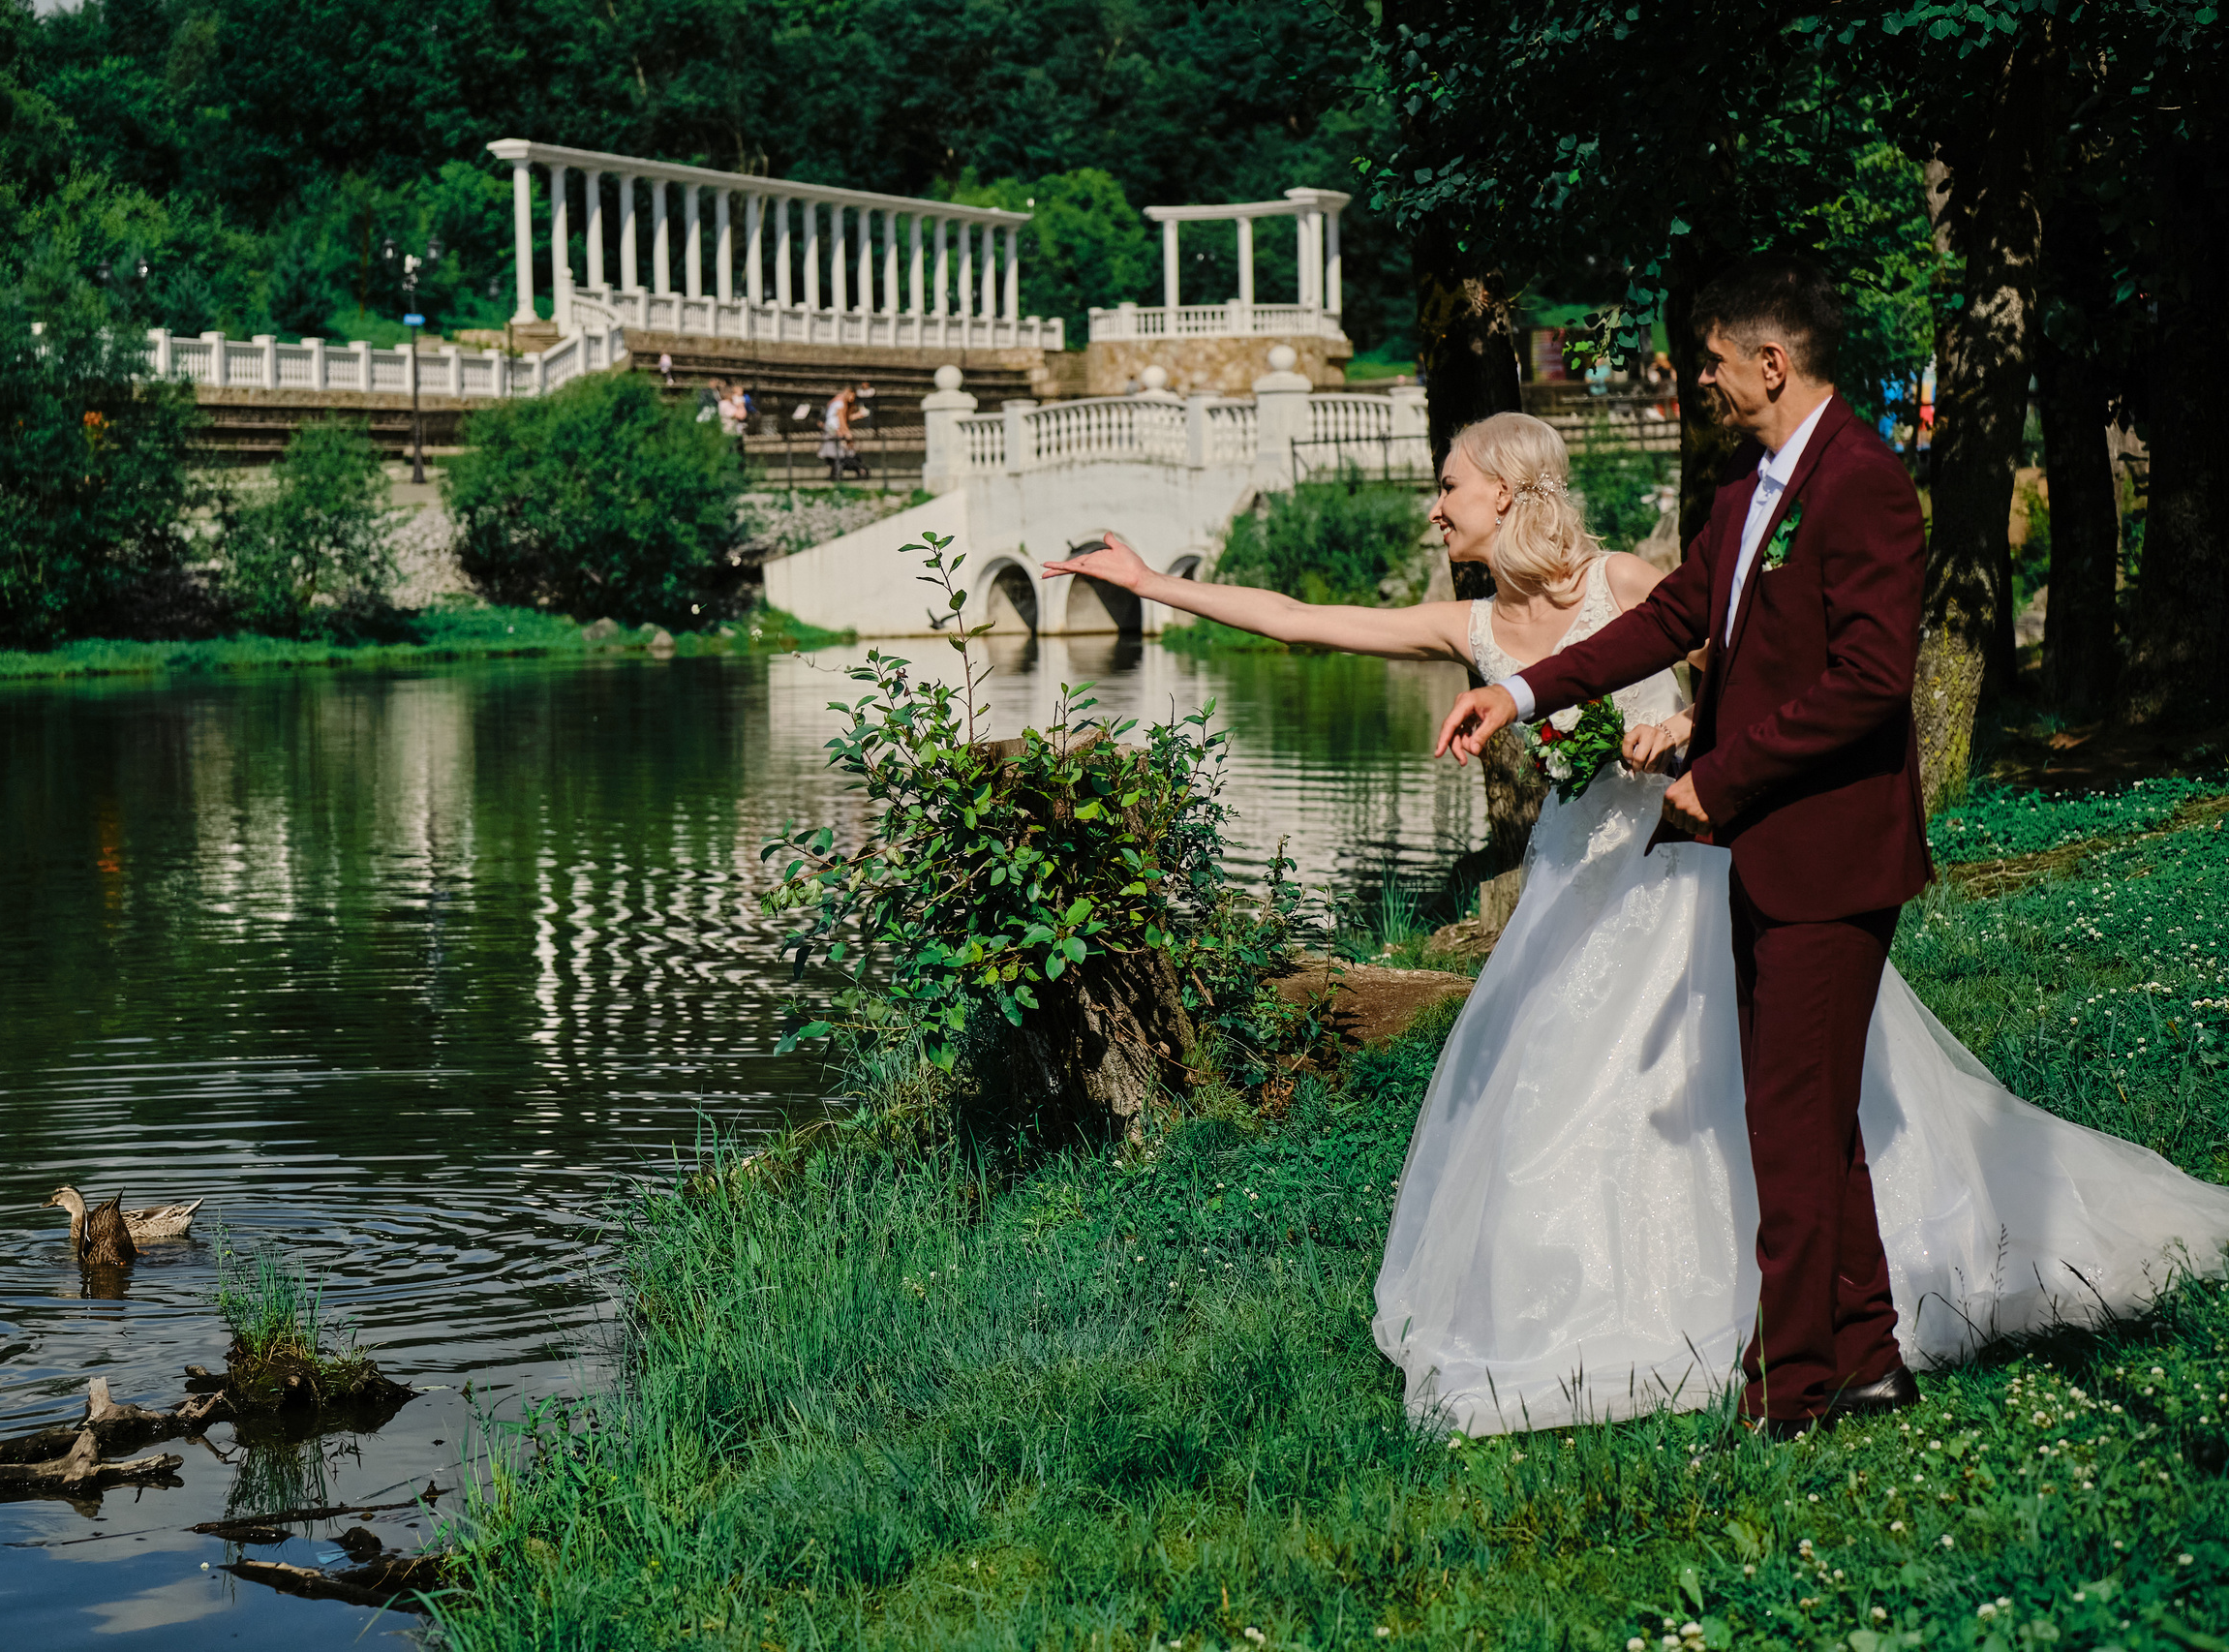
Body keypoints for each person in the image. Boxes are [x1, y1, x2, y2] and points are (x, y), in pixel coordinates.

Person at [1056, 270, 2229, 1439]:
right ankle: (1862, 1358)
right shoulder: (1736, 492)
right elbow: (1664, 628)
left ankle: (1793, 1391)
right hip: (1677, 853)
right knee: (1791, 1118)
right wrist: (1516, 693)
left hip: (1776, 842)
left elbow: (1839, 677)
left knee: (1781, 1114)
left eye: (1712, 360)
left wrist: (1699, 751)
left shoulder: (1860, 486)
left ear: (1770, 362)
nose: (1696, 379)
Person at [819, 384, 858, 483]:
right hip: (834, 430)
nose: (853, 399)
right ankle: (836, 475)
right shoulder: (840, 402)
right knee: (839, 454)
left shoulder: (837, 401)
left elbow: (845, 418)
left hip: (832, 429)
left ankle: (835, 474)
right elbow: (841, 420)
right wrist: (847, 433)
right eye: (852, 396)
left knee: (836, 454)